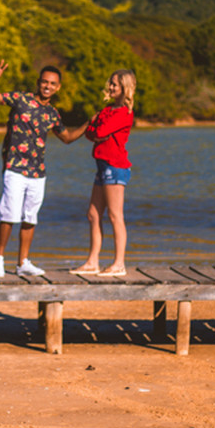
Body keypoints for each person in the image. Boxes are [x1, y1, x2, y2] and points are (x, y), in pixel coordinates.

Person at [0, 60, 87, 278]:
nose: (48, 86)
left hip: (38, 172)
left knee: (30, 217)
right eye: (45, 82)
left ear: (58, 87)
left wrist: (89, 124)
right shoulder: (21, 99)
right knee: (9, 214)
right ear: (39, 82)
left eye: (53, 84)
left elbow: (67, 138)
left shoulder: (52, 113)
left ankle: (23, 263)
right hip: (15, 167)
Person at [70, 69, 136, 277]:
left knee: (115, 215)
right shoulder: (107, 110)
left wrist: (97, 129)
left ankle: (119, 264)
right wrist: (96, 128)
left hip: (115, 166)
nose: (111, 87)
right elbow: (92, 134)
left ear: (125, 87)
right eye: (111, 83)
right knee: (93, 214)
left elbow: (99, 131)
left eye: (115, 84)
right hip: (102, 165)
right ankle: (92, 262)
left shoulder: (124, 113)